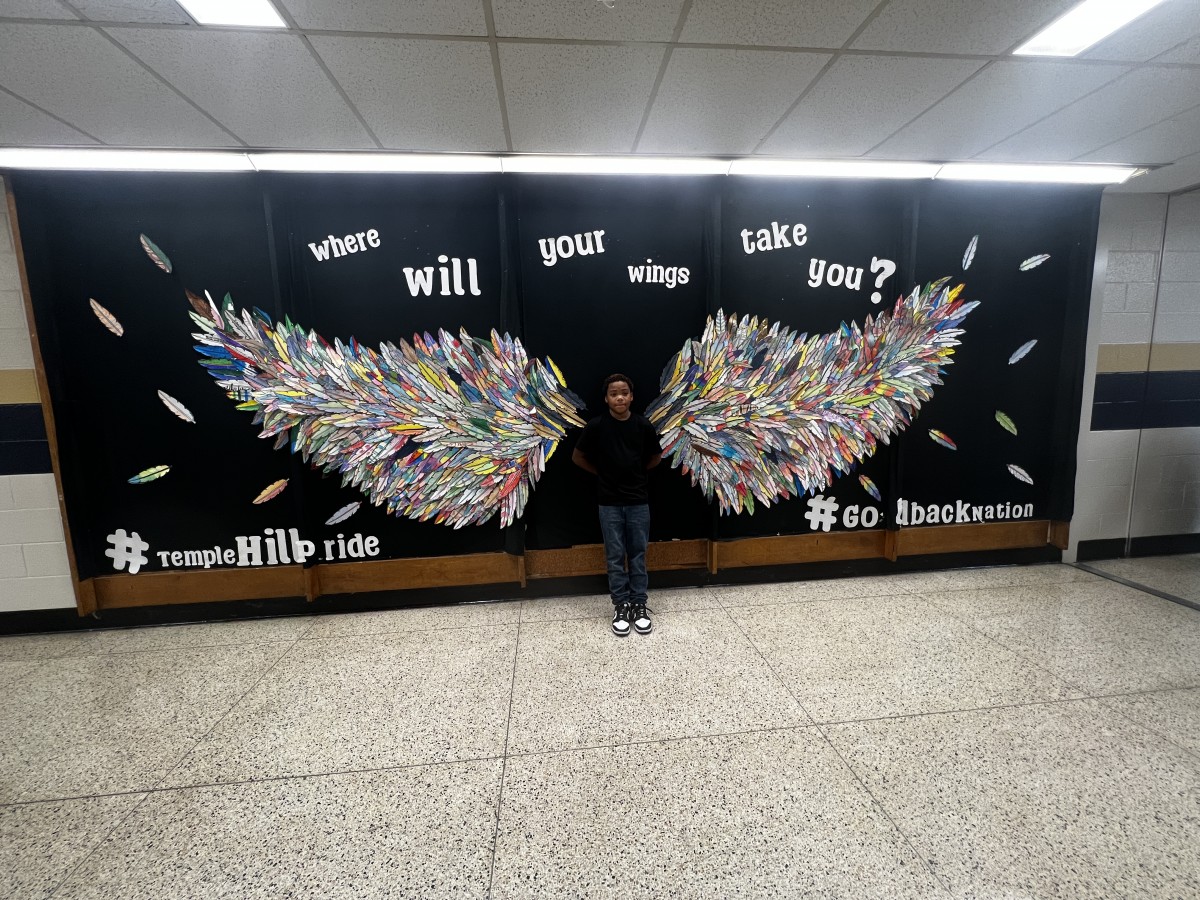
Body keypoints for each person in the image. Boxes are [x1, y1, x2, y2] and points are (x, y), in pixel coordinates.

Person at [572, 373, 663, 636]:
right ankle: (621, 605)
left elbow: (656, 457)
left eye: (624, 392)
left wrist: (636, 474)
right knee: (614, 557)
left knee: (638, 555)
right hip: (608, 502)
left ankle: (639, 605)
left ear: (632, 396)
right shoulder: (597, 426)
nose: (619, 397)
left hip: (638, 501)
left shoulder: (643, 425)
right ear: (606, 398)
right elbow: (577, 457)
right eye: (614, 393)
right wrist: (601, 474)